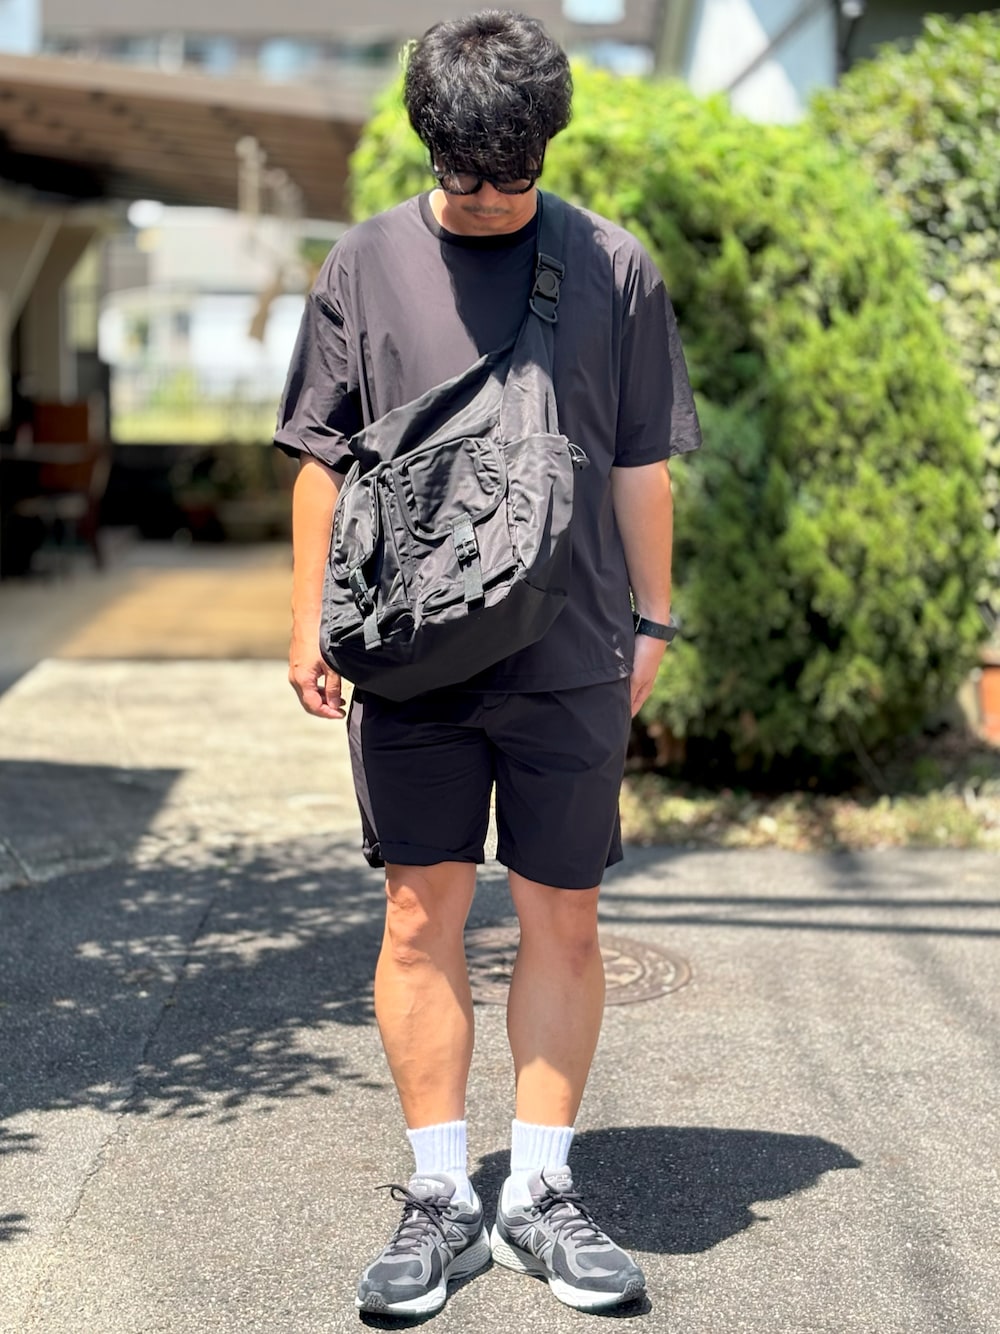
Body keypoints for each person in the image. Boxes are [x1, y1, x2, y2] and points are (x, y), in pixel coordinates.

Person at [275, 9, 701, 1318]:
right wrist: (305, 618)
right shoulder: (363, 264)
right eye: (468, 175)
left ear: (546, 148)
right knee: (421, 917)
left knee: (564, 918)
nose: (492, 198)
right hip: (411, 654)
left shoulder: (612, 267)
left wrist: (654, 620)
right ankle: (441, 1193)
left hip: (571, 652)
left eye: (516, 174)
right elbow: (320, 455)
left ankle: (542, 1191)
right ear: (431, 145)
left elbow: (642, 461)